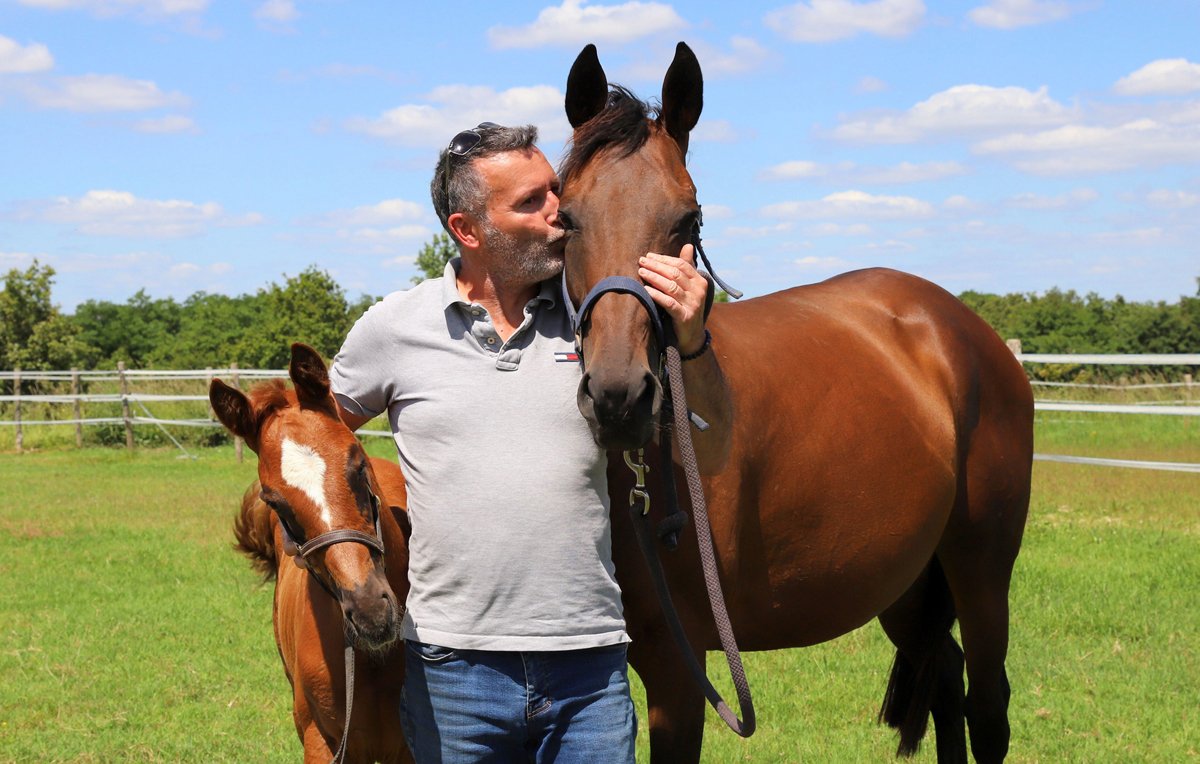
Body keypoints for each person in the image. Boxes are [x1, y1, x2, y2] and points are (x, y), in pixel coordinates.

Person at [329, 122, 726, 763]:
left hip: (589, 670)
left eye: (554, 190)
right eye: (531, 201)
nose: (558, 211)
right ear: (468, 230)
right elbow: (317, 438)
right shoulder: (394, 328)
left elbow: (709, 444)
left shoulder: (601, 315)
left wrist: (692, 337)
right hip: (452, 671)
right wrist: (343, 550)